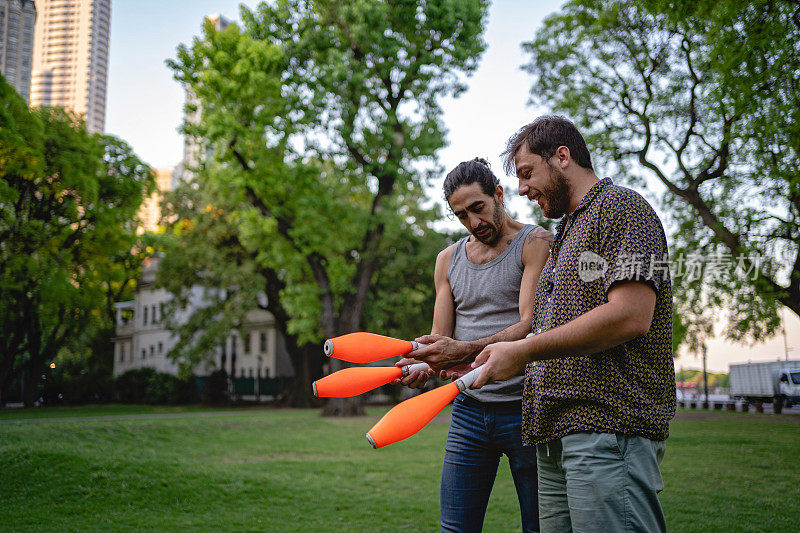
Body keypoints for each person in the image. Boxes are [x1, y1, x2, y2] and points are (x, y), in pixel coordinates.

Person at [469, 116, 676, 532]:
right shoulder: (563, 233)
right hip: (554, 437)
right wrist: (482, 358)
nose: (522, 189)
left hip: (608, 431)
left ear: (562, 157)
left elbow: (631, 315)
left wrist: (525, 350)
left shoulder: (625, 209)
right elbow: (548, 333)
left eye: (527, 173)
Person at [397, 157, 551, 533]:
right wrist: (425, 365)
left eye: (478, 208)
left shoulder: (536, 242)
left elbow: (531, 323)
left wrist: (464, 351)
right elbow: (440, 338)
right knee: (455, 529)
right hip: (468, 410)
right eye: (461, 215)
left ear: (498, 194)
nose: (473, 223)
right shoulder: (447, 259)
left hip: (527, 408)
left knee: (539, 528)